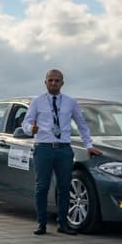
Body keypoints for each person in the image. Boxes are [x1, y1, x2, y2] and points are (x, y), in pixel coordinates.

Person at [22, 69, 102, 235]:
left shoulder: (70, 102)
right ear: (45, 82)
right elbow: (26, 123)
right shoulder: (37, 102)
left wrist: (89, 145)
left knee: (64, 187)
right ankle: (41, 223)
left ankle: (63, 224)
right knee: (42, 187)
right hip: (43, 148)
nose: (53, 83)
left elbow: (82, 125)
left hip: (64, 149)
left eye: (57, 80)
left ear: (62, 83)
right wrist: (31, 129)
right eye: (50, 80)